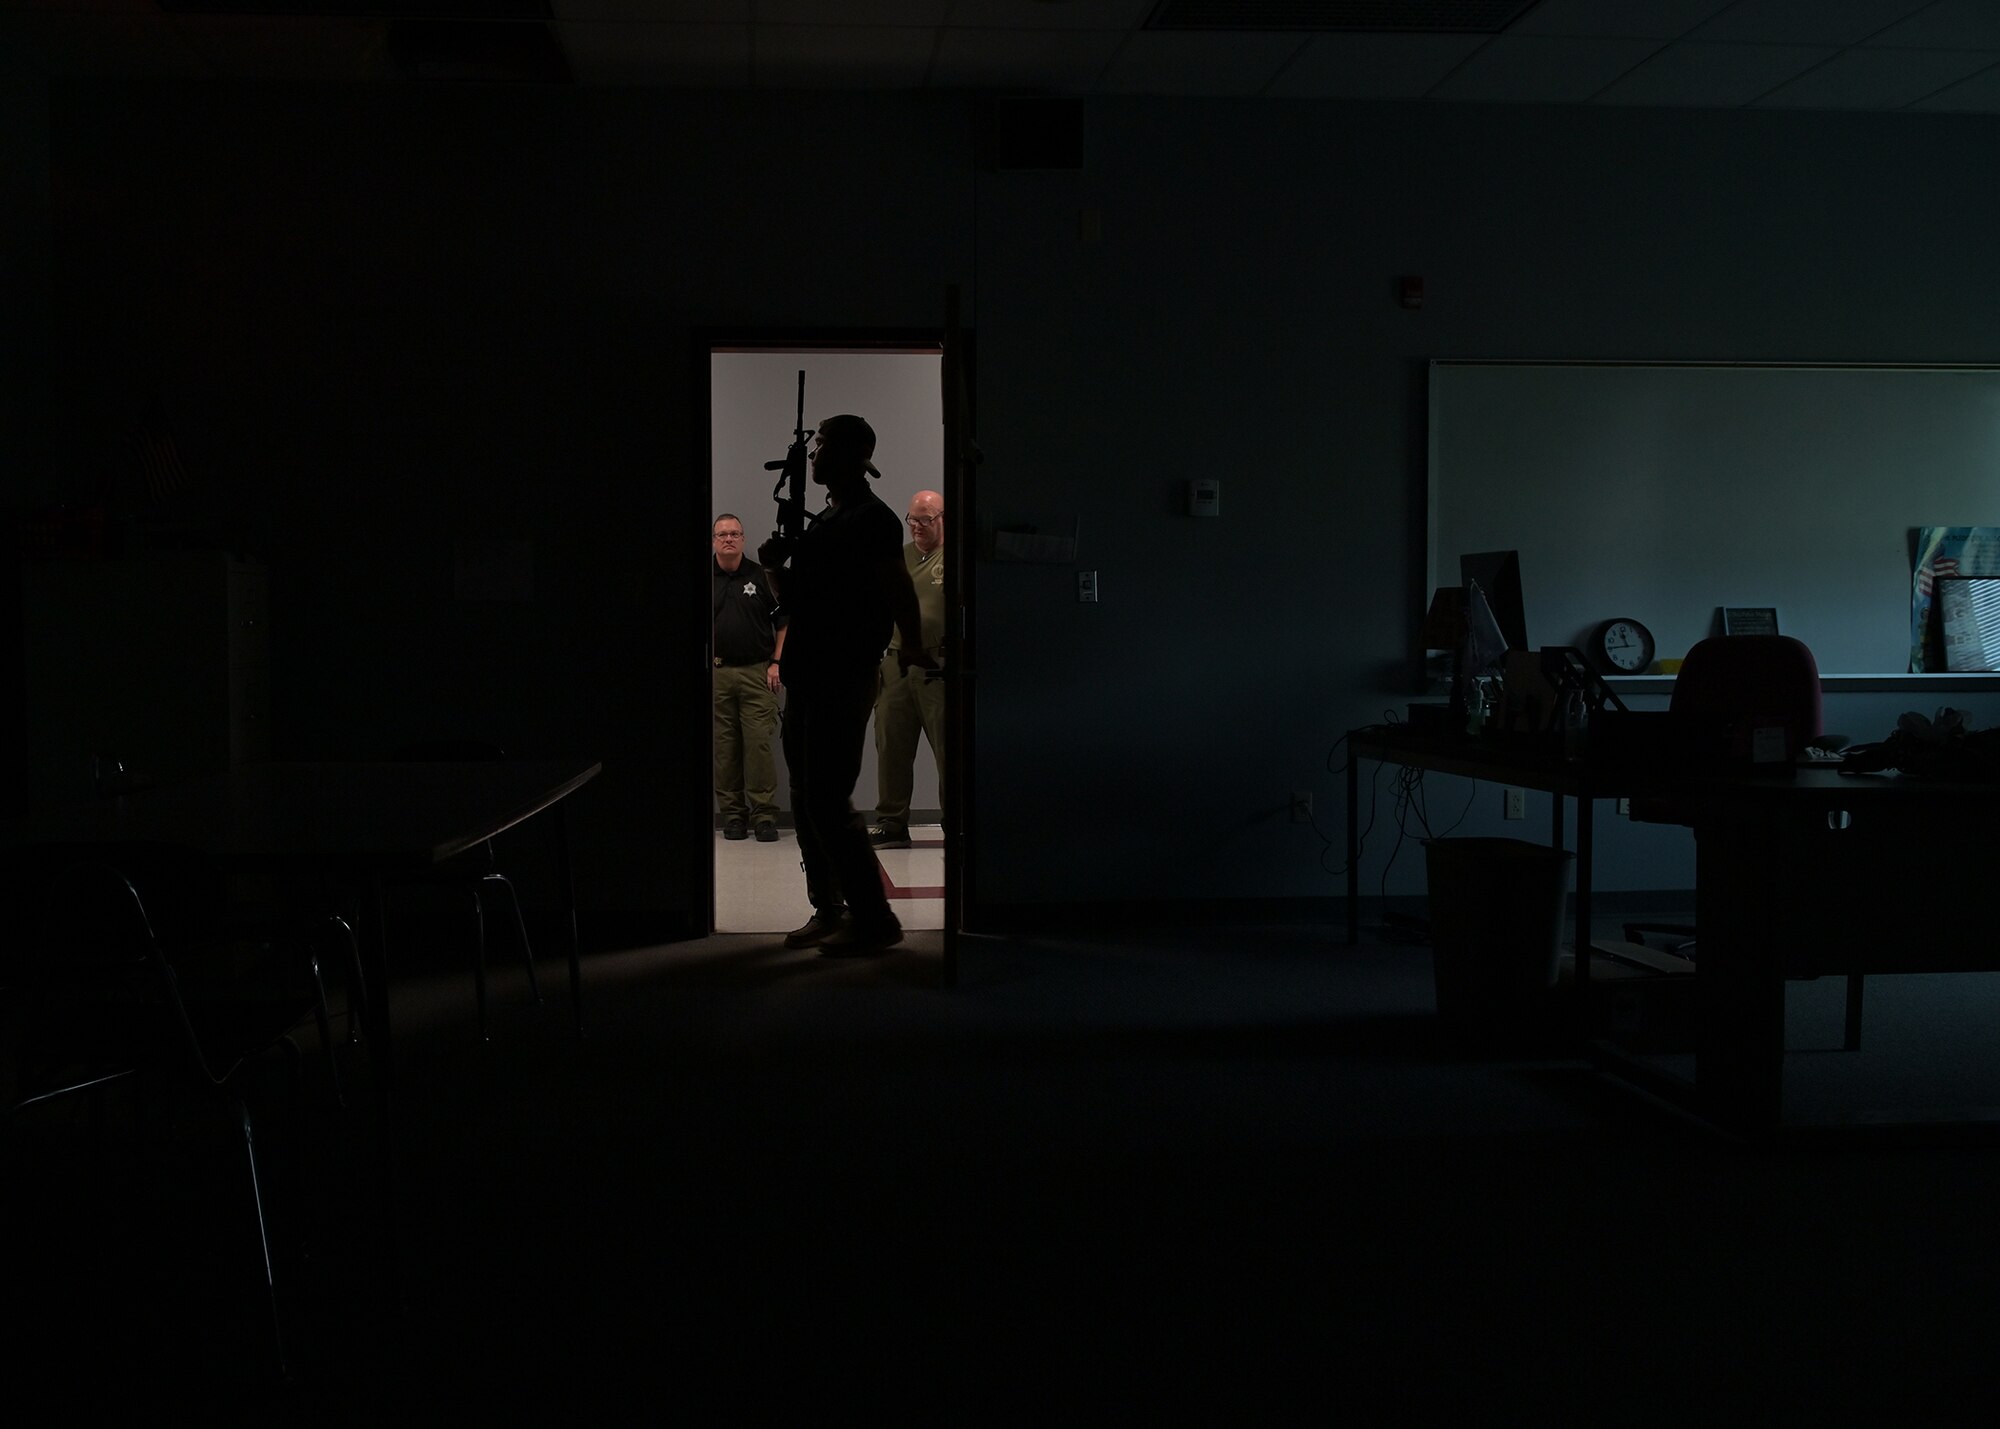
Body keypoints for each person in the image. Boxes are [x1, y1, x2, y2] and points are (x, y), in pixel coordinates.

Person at [758, 414, 931, 956]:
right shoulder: (827, 519)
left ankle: (873, 918)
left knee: (827, 797)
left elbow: (896, 586)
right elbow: (802, 595)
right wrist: (772, 568)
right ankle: (830, 908)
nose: (813, 457)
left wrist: (912, 644)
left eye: (823, 447)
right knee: (808, 797)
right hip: (810, 669)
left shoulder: (872, 519)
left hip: (843, 671)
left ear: (851, 456)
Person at [868, 489, 946, 849]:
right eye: (912, 519)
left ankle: (955, 821)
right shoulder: (898, 558)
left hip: (939, 665)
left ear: (943, 519)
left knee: (950, 748)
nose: (916, 526)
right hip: (896, 662)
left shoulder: (955, 556)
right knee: (892, 746)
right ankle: (893, 822)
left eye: (925, 520)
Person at [711, 513, 785, 842]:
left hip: (758, 672)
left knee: (758, 746)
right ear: (714, 540)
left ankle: (764, 815)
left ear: (742, 539)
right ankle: (733, 815)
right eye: (722, 534)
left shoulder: (760, 576)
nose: (728, 539)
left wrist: (776, 663)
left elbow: (784, 622)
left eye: (734, 534)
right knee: (724, 749)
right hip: (718, 673)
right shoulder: (704, 578)